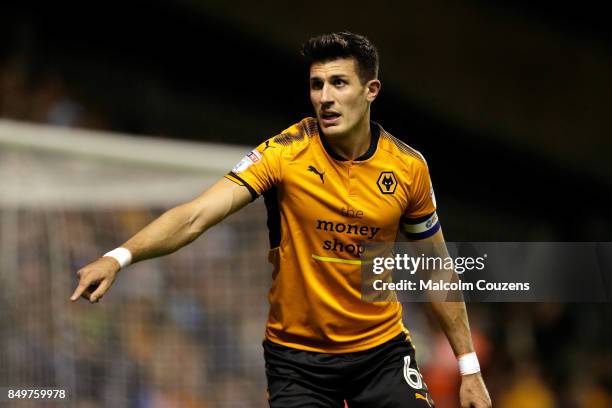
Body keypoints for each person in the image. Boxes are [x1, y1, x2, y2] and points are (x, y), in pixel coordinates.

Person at [71, 31, 492, 408]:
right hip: (297, 362)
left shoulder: (408, 168)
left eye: (338, 83)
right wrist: (118, 256)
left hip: (381, 353)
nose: (324, 96)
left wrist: (469, 368)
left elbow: (436, 268)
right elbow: (196, 215)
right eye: (316, 85)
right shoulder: (284, 153)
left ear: (371, 90)